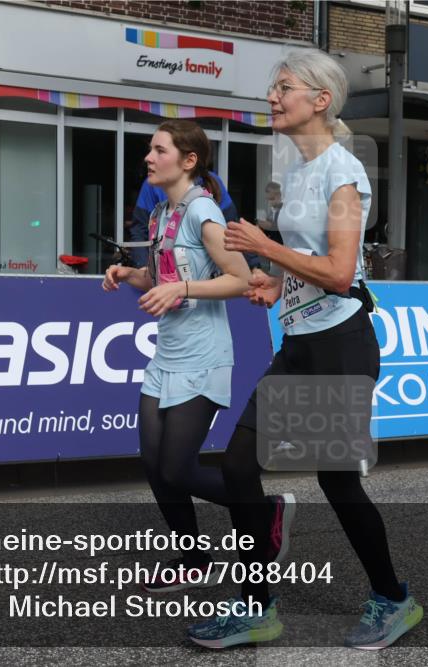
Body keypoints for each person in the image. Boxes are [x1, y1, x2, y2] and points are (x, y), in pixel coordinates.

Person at [187, 51, 422, 650]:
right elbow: (311, 265)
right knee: (238, 464)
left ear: (320, 100)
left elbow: (343, 273)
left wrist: (265, 245)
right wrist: (275, 279)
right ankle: (256, 609)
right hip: (298, 342)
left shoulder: (342, 172)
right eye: (272, 87)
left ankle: (392, 598)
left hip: (341, 346)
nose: (271, 96)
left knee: (338, 482)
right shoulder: (295, 169)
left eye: (283, 87)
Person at [102, 119, 294, 593]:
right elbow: (162, 277)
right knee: (153, 464)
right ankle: (194, 558)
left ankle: (264, 510)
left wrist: (183, 288)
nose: (148, 157)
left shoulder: (202, 212)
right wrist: (130, 275)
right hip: (166, 355)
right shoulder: (159, 214)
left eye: (159, 150)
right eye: (149, 149)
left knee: (177, 468)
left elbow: (239, 278)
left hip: (203, 357)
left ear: (188, 161)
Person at [130, 169, 262, 269]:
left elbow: (233, 228)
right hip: (167, 275)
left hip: (209, 276)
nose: (149, 157)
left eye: (161, 151)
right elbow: (139, 231)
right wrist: (144, 268)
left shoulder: (212, 181)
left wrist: (253, 267)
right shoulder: (152, 184)